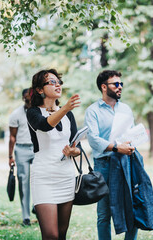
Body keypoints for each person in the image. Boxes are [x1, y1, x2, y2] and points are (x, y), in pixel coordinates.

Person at [26, 69, 81, 240]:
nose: (57, 85)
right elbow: (44, 125)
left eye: (59, 82)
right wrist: (65, 108)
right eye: (51, 82)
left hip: (65, 177)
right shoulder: (33, 112)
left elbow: (78, 147)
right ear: (40, 90)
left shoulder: (68, 115)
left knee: (62, 234)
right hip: (43, 178)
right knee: (51, 235)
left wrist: (73, 151)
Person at [85, 70, 138, 240]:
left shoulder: (126, 109)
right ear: (103, 87)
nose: (120, 87)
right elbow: (93, 139)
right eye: (116, 84)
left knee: (132, 207)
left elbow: (132, 132)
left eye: (121, 84)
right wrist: (116, 147)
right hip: (104, 165)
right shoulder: (93, 111)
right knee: (104, 213)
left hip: (125, 162)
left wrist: (131, 144)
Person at [8, 88, 35, 226]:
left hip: (37, 149)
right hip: (21, 149)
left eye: (30, 96)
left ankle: (37, 206)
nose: (28, 99)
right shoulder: (16, 114)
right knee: (23, 183)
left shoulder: (39, 111)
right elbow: (12, 137)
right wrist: (10, 156)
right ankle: (26, 216)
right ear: (23, 98)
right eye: (26, 97)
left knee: (40, 179)